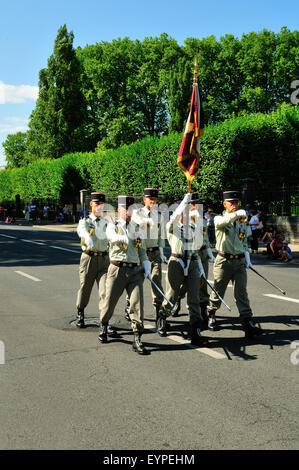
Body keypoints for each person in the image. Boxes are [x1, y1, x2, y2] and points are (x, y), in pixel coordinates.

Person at [206, 190, 264, 339]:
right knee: (218, 290)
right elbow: (222, 222)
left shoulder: (242, 222)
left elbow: (244, 241)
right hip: (223, 260)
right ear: (225, 204)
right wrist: (237, 214)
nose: (234, 205)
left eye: (236, 203)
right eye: (231, 203)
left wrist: (247, 257)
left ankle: (247, 322)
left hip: (239, 261)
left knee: (241, 292)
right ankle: (211, 313)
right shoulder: (220, 219)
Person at [99, 195, 151, 355]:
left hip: (135, 271)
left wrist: (147, 264)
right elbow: (111, 236)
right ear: (119, 209)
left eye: (131, 208)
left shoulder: (137, 227)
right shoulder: (112, 225)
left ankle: (137, 338)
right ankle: (104, 324)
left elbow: (141, 250)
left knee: (136, 304)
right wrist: (121, 237)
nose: (129, 211)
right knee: (109, 303)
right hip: (117, 269)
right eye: (125, 208)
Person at [156, 193, 209, 347]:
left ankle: (195, 330)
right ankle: (162, 316)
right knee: (171, 295)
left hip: (192, 263)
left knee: (194, 297)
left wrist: (200, 268)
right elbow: (174, 219)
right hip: (176, 263)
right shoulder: (172, 227)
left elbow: (195, 250)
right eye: (183, 214)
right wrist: (184, 203)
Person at [125, 187, 166, 323]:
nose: (153, 202)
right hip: (140, 254)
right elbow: (137, 225)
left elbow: (161, 236)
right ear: (144, 200)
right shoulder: (137, 213)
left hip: (154, 254)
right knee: (136, 283)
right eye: (150, 199)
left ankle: (158, 313)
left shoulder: (160, 216)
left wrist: (161, 252)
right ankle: (129, 305)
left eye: (155, 199)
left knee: (157, 282)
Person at [75, 192, 112, 330]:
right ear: (91, 204)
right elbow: (82, 231)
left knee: (105, 292)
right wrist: (86, 236)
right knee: (85, 288)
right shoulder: (85, 221)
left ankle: (104, 322)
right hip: (88, 259)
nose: (100, 207)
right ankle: (80, 311)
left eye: (102, 204)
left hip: (104, 260)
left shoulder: (107, 223)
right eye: (97, 204)